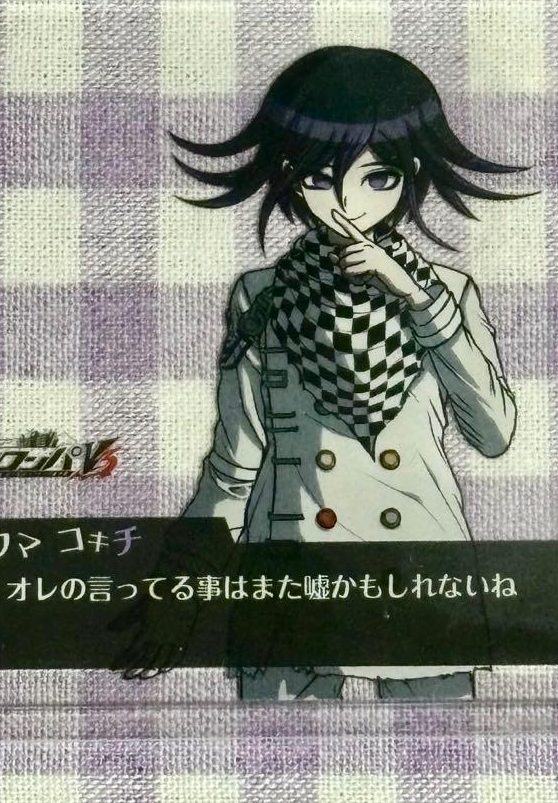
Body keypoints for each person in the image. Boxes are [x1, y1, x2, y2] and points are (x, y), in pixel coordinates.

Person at [173, 46, 529, 700]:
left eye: (377, 178)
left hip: (418, 563)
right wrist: (185, 575)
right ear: (288, 174)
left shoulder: (446, 293)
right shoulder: (262, 295)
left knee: (441, 746)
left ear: (410, 175)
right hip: (291, 563)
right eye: (319, 177)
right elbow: (236, 460)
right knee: (275, 750)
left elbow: (494, 434)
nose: (346, 202)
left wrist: (417, 300)